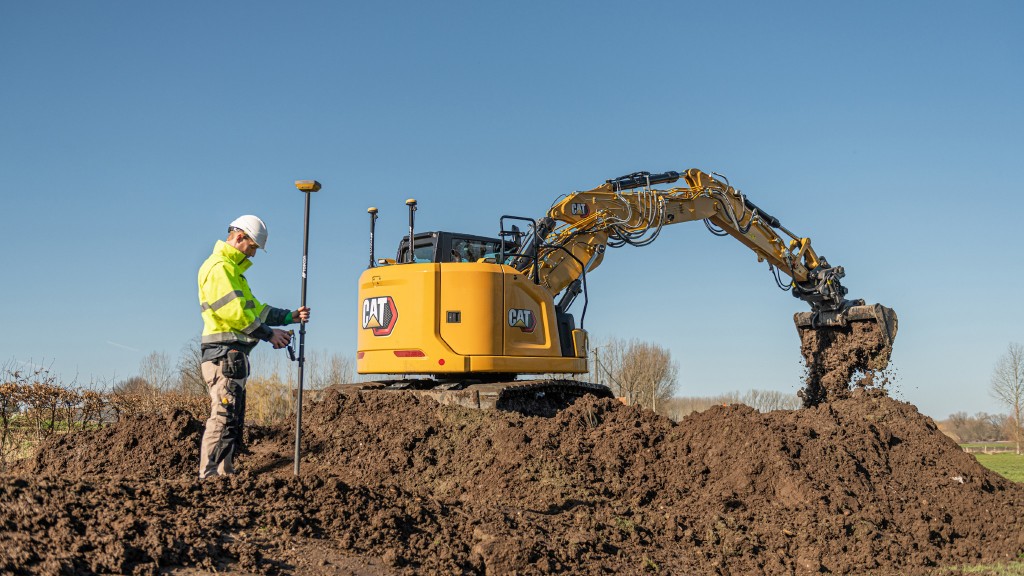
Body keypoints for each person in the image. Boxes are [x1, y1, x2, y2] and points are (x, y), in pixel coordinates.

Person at [196, 215, 311, 479]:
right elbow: (235, 313)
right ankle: (209, 475)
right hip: (222, 354)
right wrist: (269, 334)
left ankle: (225, 474)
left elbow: (255, 309)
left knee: (233, 419)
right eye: (252, 248)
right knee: (224, 414)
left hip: (233, 356)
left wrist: (289, 316)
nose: (253, 255)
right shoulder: (219, 268)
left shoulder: (234, 273)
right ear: (239, 237)